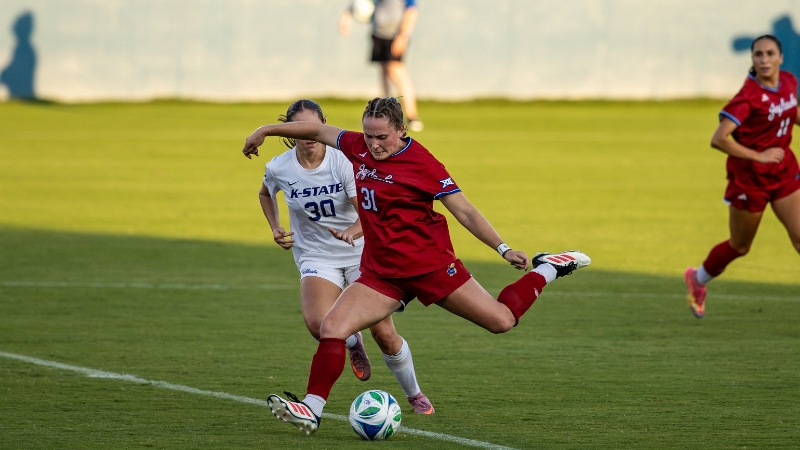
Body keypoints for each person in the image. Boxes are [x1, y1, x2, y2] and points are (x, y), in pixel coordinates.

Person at [242, 97, 591, 434]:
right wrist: (264, 130)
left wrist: (502, 248)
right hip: (382, 274)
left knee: (502, 321)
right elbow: (318, 132)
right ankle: (312, 409)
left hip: (430, 267)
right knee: (332, 325)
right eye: (368, 136)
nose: (374, 145)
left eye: (382, 137)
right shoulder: (356, 146)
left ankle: (548, 268)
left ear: (401, 130)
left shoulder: (423, 163)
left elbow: (464, 210)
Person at [258, 99, 434, 414]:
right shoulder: (279, 167)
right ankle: (353, 341)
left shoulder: (343, 162)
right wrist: (275, 226)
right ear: (291, 131)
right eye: (298, 128)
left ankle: (414, 393)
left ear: (322, 125)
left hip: (361, 254)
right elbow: (265, 192)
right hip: (316, 255)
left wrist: (353, 232)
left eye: (312, 126)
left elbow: (365, 212)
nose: (307, 135)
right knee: (319, 325)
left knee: (384, 332)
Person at [684, 35, 800, 318]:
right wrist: (758, 156)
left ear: (781, 57)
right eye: (758, 54)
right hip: (750, 180)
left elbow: (790, 111)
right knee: (740, 245)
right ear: (752, 59)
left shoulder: (788, 81)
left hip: (784, 172)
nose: (764, 60)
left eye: (769, 53)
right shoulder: (747, 98)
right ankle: (697, 280)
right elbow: (719, 139)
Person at [339, 0, 424, 132]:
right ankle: (387, 112)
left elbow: (411, 10)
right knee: (384, 72)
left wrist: (403, 35)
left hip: (395, 35)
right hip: (379, 33)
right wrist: (346, 17)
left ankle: (412, 116)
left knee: (396, 71)